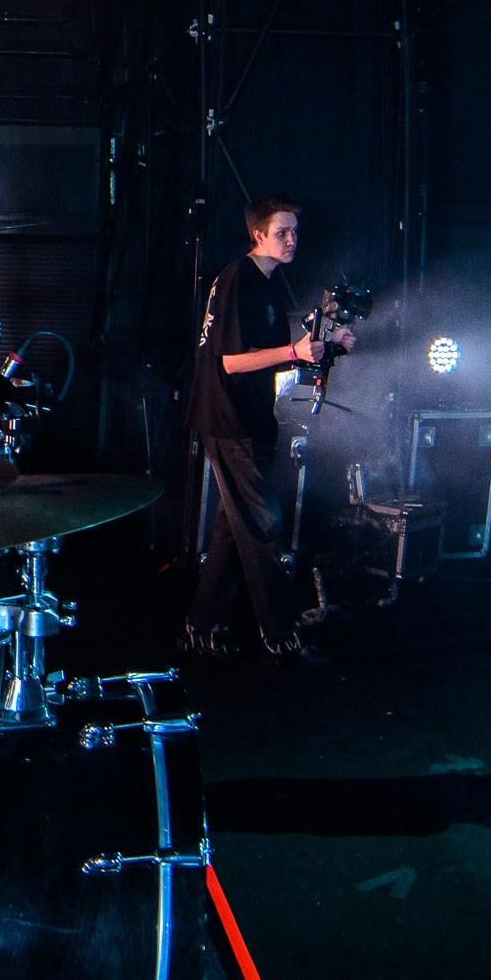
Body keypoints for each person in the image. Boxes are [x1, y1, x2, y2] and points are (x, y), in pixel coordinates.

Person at [179, 196, 353, 663]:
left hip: (251, 418)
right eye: (282, 232)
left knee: (232, 530)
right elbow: (232, 362)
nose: (292, 240)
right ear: (258, 234)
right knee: (261, 526)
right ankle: (281, 633)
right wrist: (297, 352)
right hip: (228, 418)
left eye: (295, 232)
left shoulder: (270, 282)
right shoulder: (240, 278)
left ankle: (202, 625)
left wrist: (326, 345)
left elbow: (280, 355)